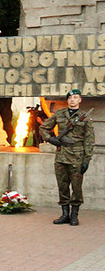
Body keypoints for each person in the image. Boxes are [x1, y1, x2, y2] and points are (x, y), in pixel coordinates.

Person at [39, 89, 95, 226]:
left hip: (77, 156)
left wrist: (87, 160)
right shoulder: (59, 114)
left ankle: (74, 215)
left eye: (75, 97)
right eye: (70, 97)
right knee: (62, 186)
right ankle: (64, 214)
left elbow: (89, 140)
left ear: (80, 100)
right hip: (61, 155)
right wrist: (50, 139)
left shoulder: (85, 117)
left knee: (76, 187)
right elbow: (43, 128)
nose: (72, 100)